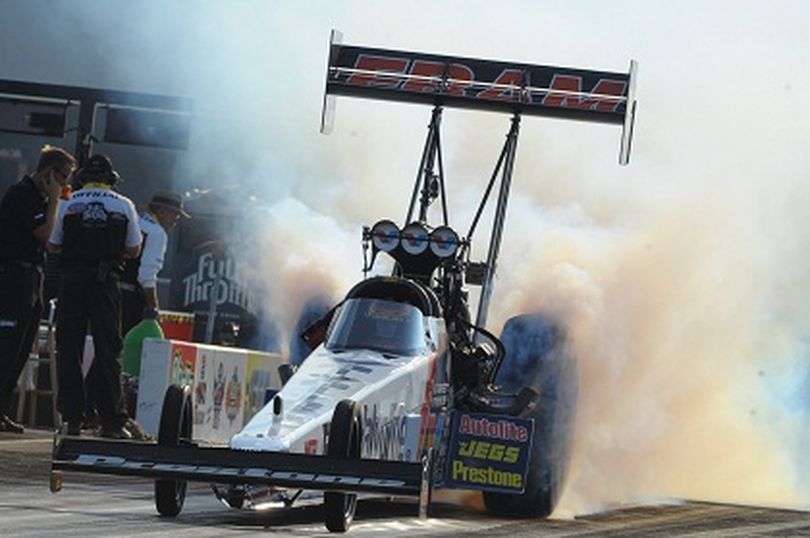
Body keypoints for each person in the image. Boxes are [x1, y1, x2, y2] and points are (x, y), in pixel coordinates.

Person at [47, 154, 141, 438]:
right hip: (105, 281)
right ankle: (112, 422)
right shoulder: (124, 205)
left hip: (73, 279)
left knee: (69, 347)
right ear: (111, 179)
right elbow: (135, 249)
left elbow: (53, 246)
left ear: (82, 177)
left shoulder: (69, 202)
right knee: (108, 349)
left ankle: (72, 419)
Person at [0, 146, 76, 433]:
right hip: (13, 275)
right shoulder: (22, 195)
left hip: (32, 276)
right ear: (48, 173)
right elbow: (44, 233)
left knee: (21, 347)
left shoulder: (39, 199)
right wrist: (55, 200)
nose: (66, 185)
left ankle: (2, 407)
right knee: (7, 345)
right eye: (63, 177)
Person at [121, 190, 189, 334]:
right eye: (175, 215)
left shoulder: (133, 222)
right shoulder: (157, 233)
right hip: (129, 298)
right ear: (162, 211)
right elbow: (146, 276)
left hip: (108, 292)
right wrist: (153, 309)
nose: (175, 221)